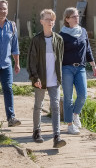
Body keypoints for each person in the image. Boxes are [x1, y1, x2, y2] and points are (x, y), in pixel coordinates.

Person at [27, 9, 66, 148]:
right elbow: (31, 60)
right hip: (41, 79)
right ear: (41, 21)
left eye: (52, 20)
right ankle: (36, 131)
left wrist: (60, 77)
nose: (50, 22)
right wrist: (34, 77)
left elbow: (60, 59)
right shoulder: (36, 40)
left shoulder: (59, 39)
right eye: (47, 19)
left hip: (55, 80)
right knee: (38, 106)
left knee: (55, 106)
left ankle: (57, 135)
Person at [59, 7, 96, 135]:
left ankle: (75, 114)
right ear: (67, 19)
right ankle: (70, 126)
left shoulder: (83, 31)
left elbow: (87, 49)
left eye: (78, 16)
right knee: (68, 98)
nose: (77, 18)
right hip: (66, 68)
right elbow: (57, 54)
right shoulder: (62, 35)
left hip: (81, 68)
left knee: (83, 95)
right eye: (74, 16)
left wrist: (93, 65)